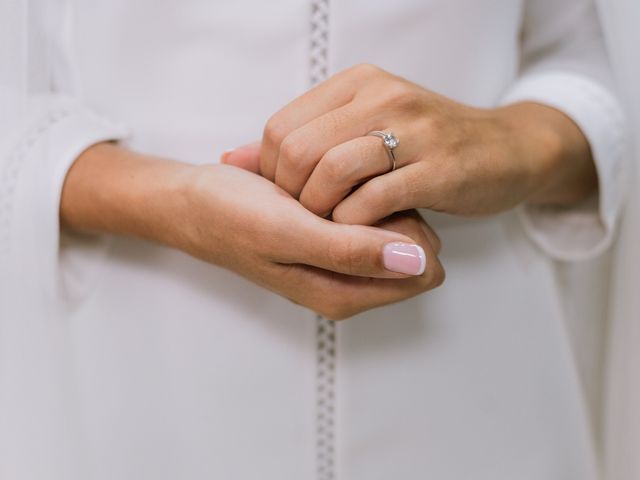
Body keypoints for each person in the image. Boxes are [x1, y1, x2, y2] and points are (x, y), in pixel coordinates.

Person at [0, 0, 629, 478]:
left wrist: (514, 143)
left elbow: (592, 54)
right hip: (145, 358)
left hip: (482, 365)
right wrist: (173, 202)